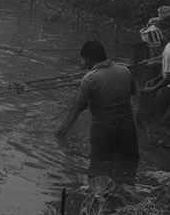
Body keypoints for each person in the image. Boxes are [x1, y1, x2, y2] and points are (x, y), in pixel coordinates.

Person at [57, 40, 139, 179]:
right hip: (127, 125)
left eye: (83, 60)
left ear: (88, 58)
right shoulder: (125, 70)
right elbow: (133, 91)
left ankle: (101, 195)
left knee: (99, 167)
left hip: (103, 129)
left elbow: (81, 106)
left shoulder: (89, 79)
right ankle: (128, 188)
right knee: (129, 161)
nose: (83, 64)